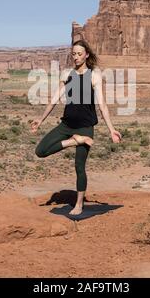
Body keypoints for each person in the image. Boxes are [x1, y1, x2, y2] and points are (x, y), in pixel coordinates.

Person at [31, 39, 122, 215]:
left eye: (80, 54)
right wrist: (40, 120)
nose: (76, 57)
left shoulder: (94, 75)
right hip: (66, 125)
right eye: (74, 54)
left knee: (79, 166)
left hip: (85, 127)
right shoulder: (67, 75)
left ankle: (79, 204)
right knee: (40, 151)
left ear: (87, 55)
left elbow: (102, 105)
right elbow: (54, 99)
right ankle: (74, 141)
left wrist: (111, 129)